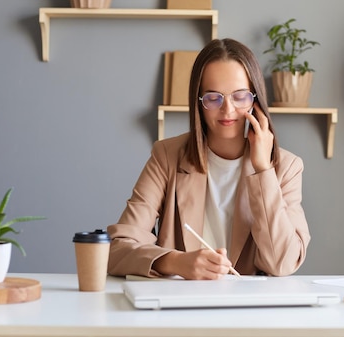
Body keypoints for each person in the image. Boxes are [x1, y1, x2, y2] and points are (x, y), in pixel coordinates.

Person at [107, 38, 310, 280]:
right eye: (214, 98)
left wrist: (263, 170)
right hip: (180, 309)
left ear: (255, 100)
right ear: (199, 103)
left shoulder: (286, 167)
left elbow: (282, 263)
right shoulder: (166, 157)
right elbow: (116, 250)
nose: (228, 110)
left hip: (249, 311)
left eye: (240, 96)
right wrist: (176, 262)